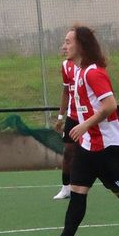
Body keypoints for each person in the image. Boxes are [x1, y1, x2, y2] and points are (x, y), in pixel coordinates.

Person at [35, 27, 119, 236]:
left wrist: (84, 125)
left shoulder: (93, 72)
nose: (64, 45)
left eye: (68, 41)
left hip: (109, 147)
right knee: (77, 190)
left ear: (81, 45)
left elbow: (110, 105)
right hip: (89, 146)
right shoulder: (78, 72)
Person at [52, 55, 78, 200]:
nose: (65, 46)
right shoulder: (65, 65)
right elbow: (66, 92)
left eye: (68, 42)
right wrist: (61, 117)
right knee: (68, 151)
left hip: (89, 116)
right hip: (73, 116)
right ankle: (66, 188)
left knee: (105, 152)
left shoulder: (90, 62)